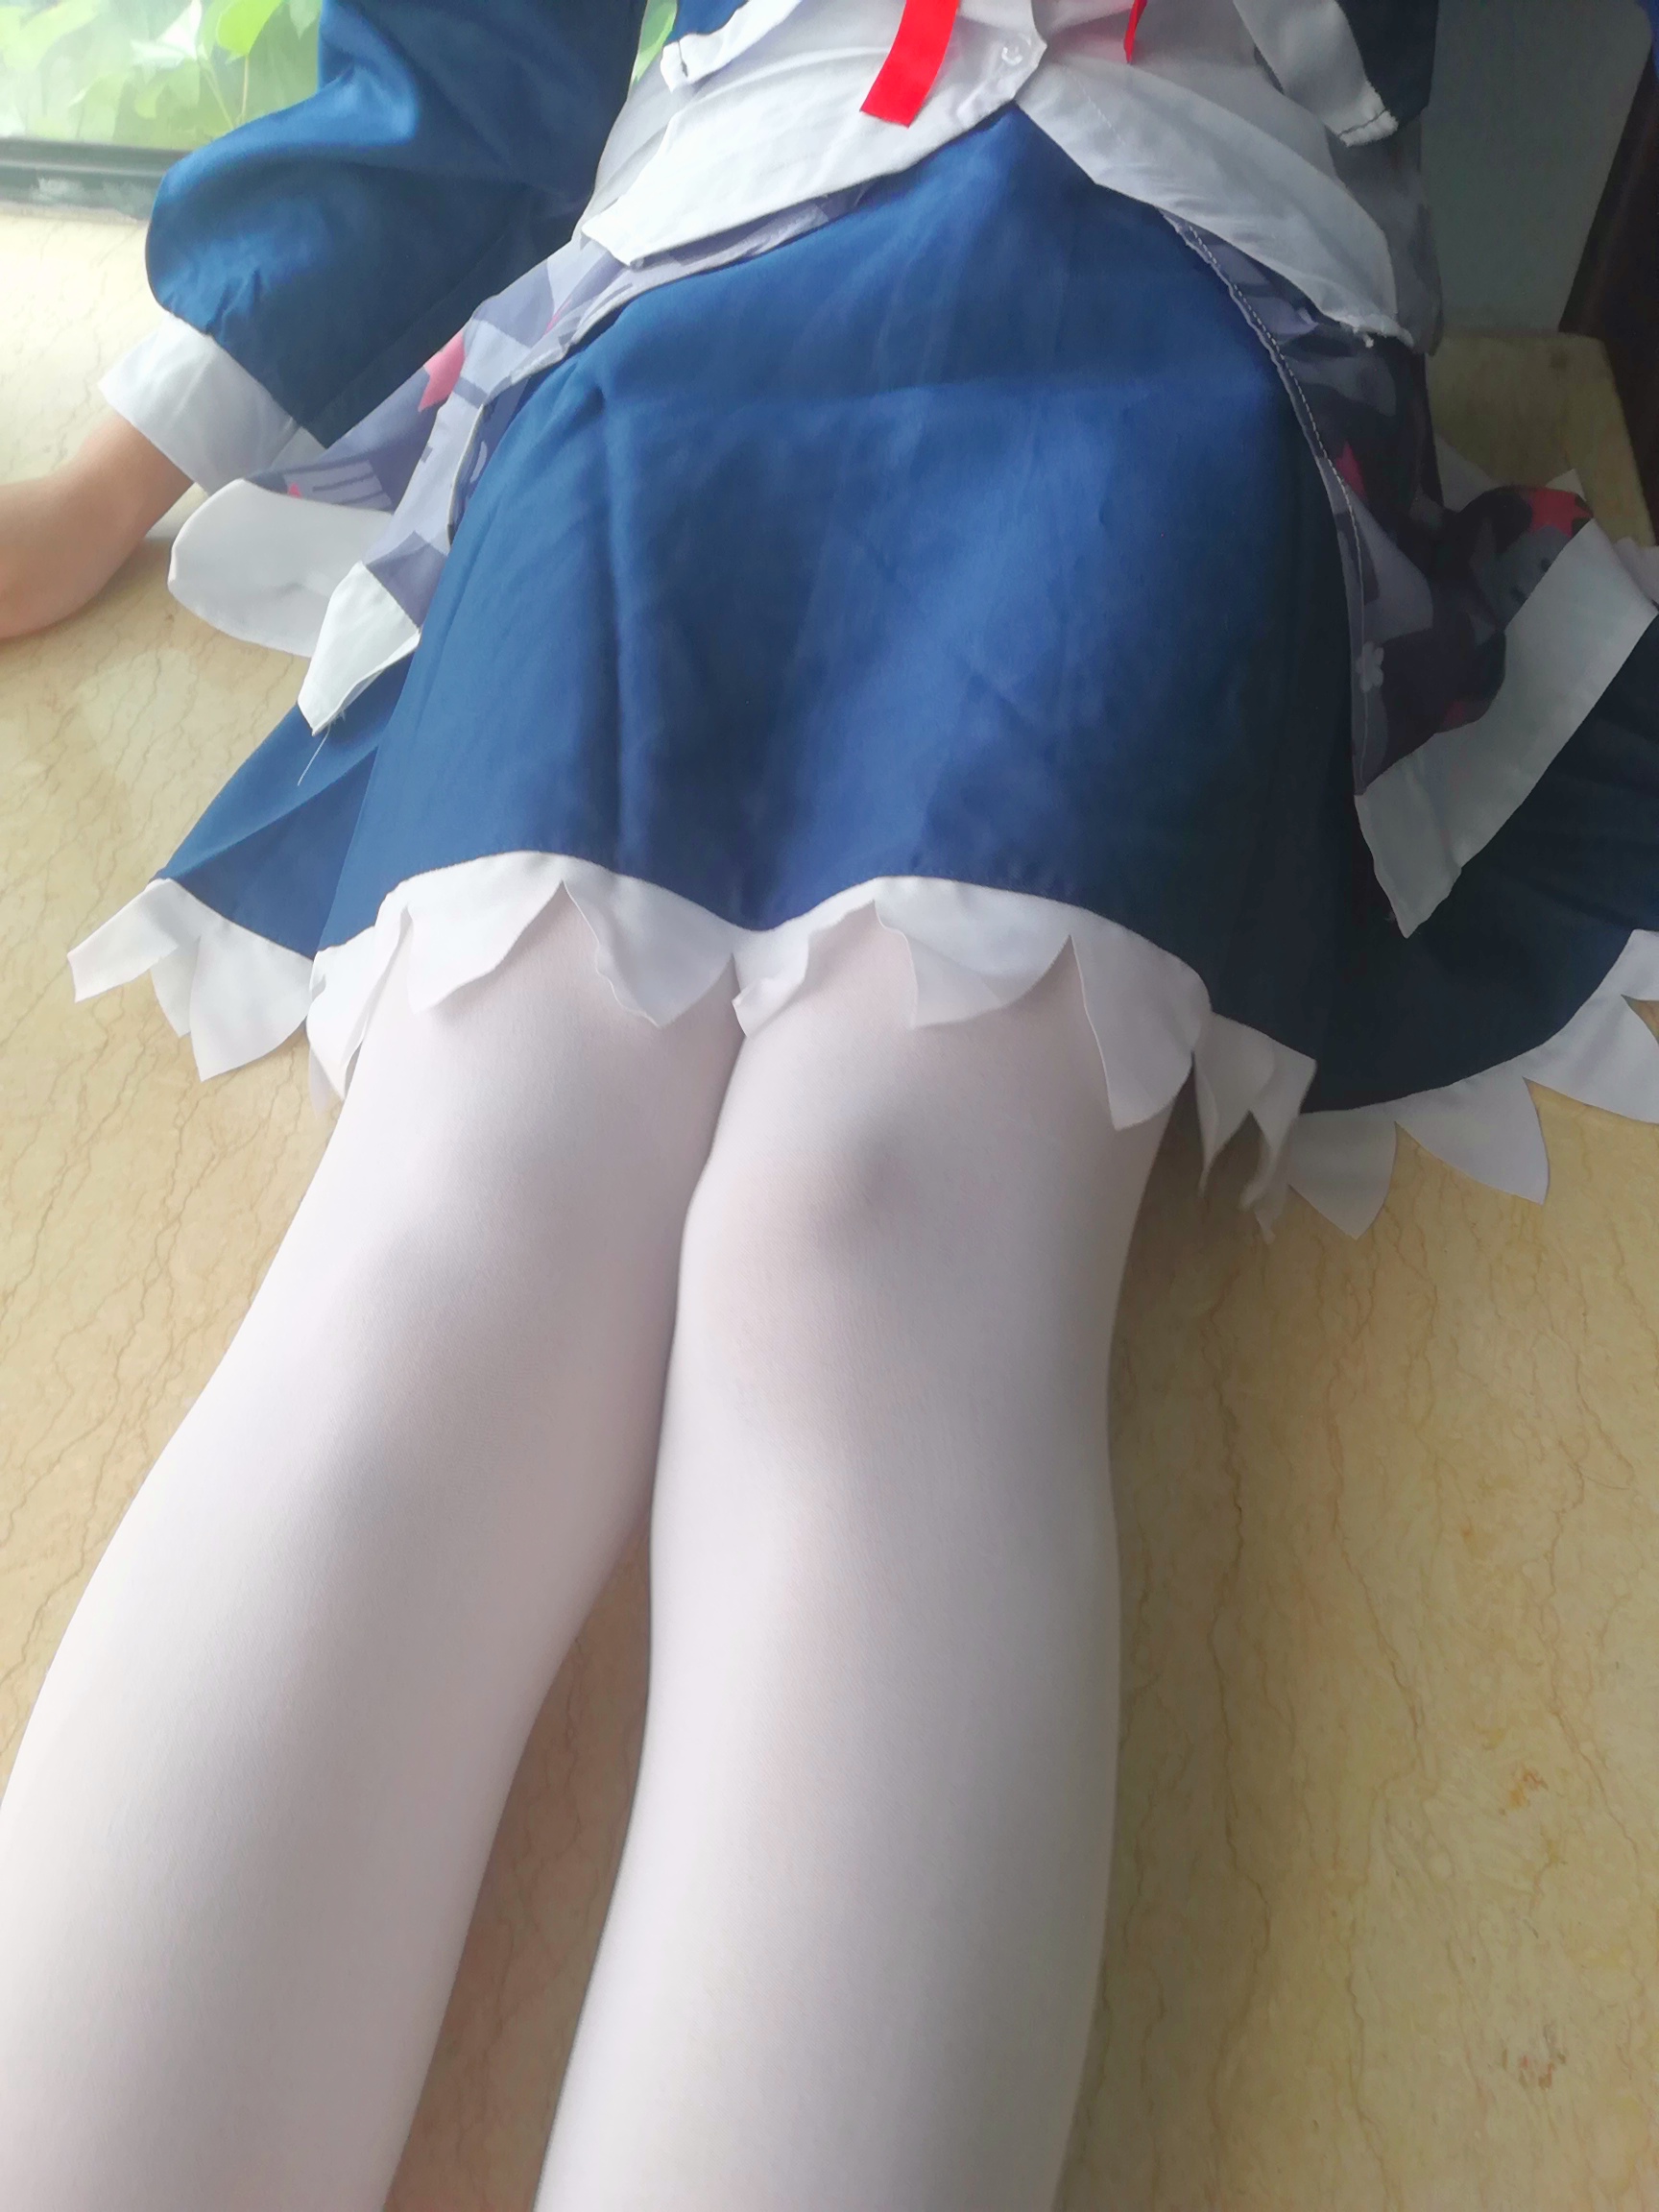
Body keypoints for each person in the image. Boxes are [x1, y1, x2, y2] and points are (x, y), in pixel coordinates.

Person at [1, 2, 1657, 2204]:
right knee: (464, 1207)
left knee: (878, 1239)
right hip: (710, 272)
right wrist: (110, 477)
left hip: (1190, 303)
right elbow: (468, 53)